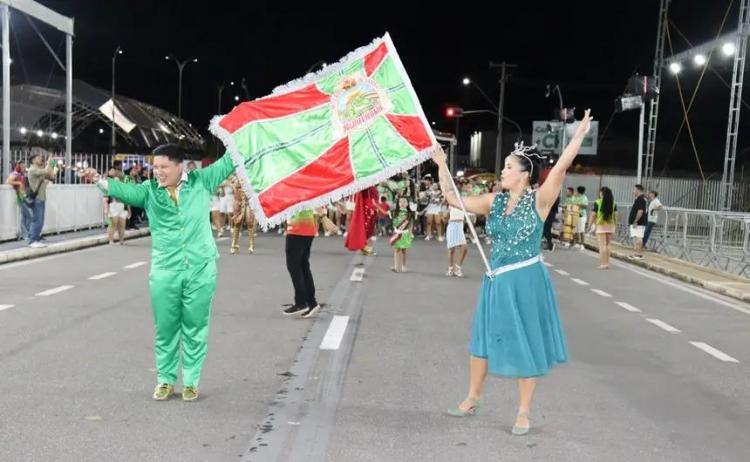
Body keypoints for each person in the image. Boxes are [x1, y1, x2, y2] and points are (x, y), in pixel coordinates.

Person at [436, 109, 593, 436]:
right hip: (496, 280)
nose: (503, 171)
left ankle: (524, 412)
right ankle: (472, 397)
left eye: (508, 167)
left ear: (524, 174)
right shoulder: (492, 201)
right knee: (482, 340)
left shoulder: (540, 200)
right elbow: (453, 198)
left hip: (526, 281)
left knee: (525, 342)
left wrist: (577, 137)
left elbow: (561, 167)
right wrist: (440, 164)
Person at [84, 144, 237, 402]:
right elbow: (124, 190)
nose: (158, 172)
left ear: (180, 166)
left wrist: (243, 130)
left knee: (196, 326)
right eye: (155, 167)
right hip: (165, 269)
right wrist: (100, 180)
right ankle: (165, 380)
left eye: (164, 167)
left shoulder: (202, 180)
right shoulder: (149, 191)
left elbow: (229, 161)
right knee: (165, 328)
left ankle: (191, 381)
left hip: (201, 267)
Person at [282, 209, 320, 318]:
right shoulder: (306, 191)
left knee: (294, 267)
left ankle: (301, 302)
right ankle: (311, 302)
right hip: (308, 229)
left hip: (297, 230)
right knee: (303, 266)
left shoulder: (294, 191)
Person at [27, 154, 58, 248]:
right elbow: (45, 171)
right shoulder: (33, 169)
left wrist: (52, 165)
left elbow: (51, 176)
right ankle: (33, 241)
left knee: (40, 220)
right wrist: (49, 162)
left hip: (41, 198)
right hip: (37, 199)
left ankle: (36, 239)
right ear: (33, 160)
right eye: (38, 158)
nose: (40, 159)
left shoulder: (38, 170)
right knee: (37, 220)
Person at [589, 186, 617, 269]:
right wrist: (616, 225)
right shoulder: (614, 203)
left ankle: (603, 264)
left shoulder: (597, 202)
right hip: (611, 225)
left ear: (602, 193)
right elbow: (616, 215)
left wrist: (589, 225)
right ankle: (607, 263)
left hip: (601, 225)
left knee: (602, 245)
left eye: (600, 192)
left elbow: (593, 215)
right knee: (608, 245)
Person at [6, 161, 32, 241]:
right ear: (18, 167)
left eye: (24, 166)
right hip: (21, 197)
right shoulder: (15, 173)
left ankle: (25, 234)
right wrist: (19, 183)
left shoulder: (22, 174)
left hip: (25, 196)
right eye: (22, 167)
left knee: (25, 216)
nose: (24, 168)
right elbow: (8, 181)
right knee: (29, 215)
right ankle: (26, 234)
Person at [230, 175, 256, 254]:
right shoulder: (235, 178)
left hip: (249, 203)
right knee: (237, 224)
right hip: (238, 202)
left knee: (250, 223)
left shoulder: (251, 176)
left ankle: (251, 245)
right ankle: (234, 245)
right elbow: (233, 188)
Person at [104, 169, 129, 245]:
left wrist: (129, 209)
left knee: (122, 225)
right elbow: (105, 200)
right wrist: (106, 209)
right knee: (113, 224)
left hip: (122, 207)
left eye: (118, 181)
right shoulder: (109, 189)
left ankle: (121, 240)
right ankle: (111, 240)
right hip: (113, 206)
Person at [390, 195, 414, 273]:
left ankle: (404, 266)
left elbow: (411, 225)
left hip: (405, 233)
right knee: (396, 249)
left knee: (404, 250)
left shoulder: (410, 213)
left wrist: (410, 234)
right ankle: (396, 266)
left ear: (407, 203)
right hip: (397, 233)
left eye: (404, 202)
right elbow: (394, 223)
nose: (402, 203)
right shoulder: (395, 212)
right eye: (400, 202)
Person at [446, 204, 468, 277]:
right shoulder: (451, 204)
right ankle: (450, 269)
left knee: (464, 248)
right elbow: (446, 216)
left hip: (460, 225)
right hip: (452, 225)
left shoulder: (462, 203)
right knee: (451, 249)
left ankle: (457, 267)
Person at [628, 184, 648, 259]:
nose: (633, 192)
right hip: (640, 222)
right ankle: (637, 253)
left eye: (634, 190)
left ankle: (638, 254)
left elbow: (640, 211)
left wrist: (635, 221)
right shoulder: (642, 199)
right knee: (637, 237)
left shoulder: (640, 199)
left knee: (638, 237)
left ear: (638, 190)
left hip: (639, 223)